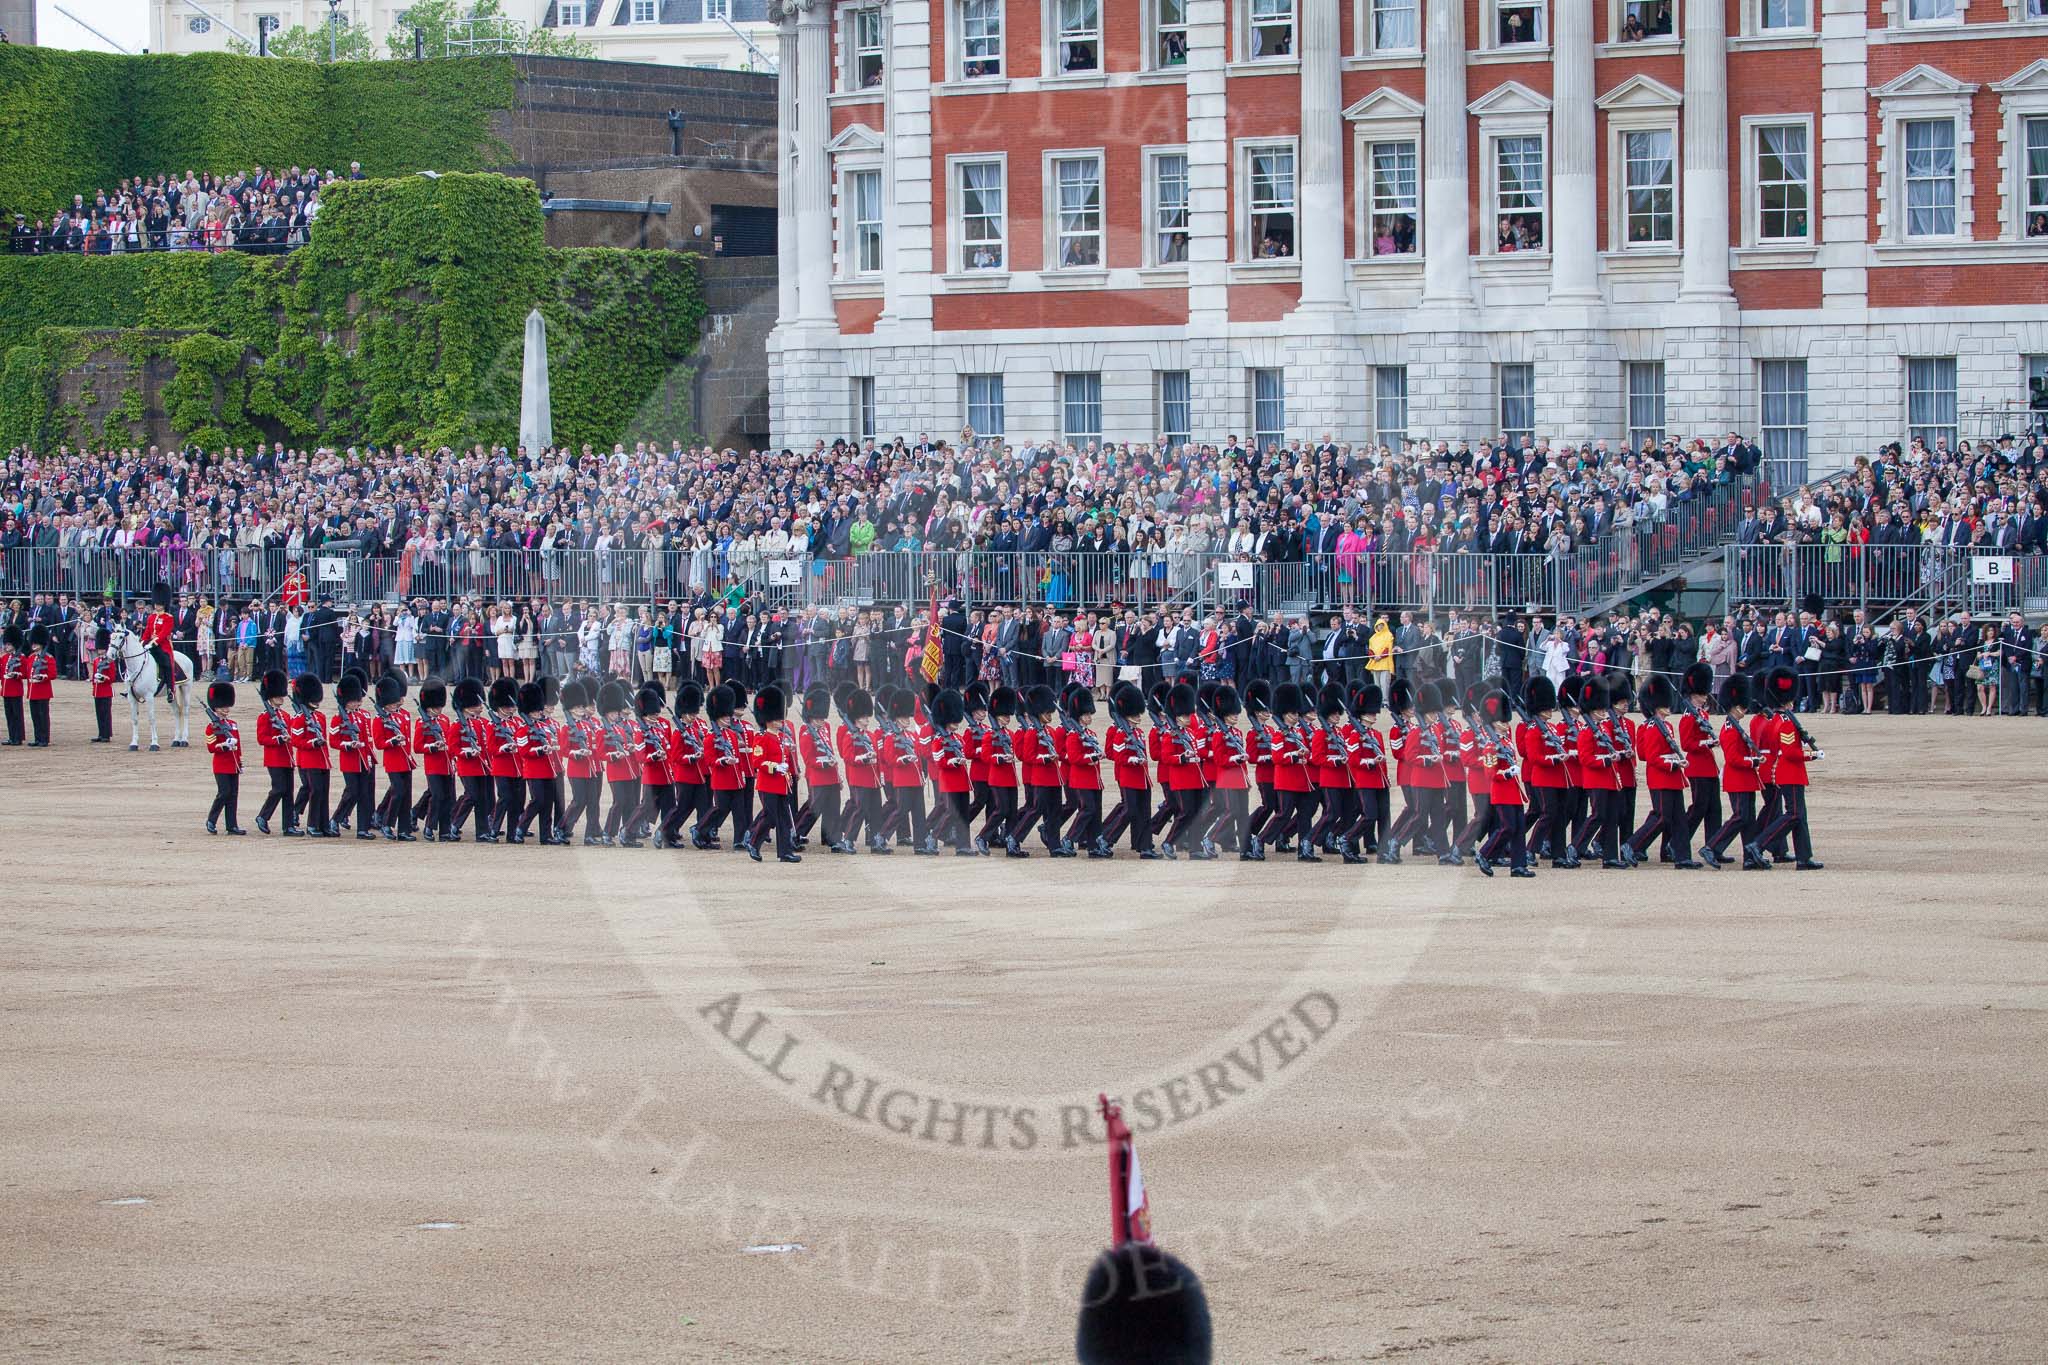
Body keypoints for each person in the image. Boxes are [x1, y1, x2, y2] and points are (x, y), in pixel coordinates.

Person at [746, 685, 801, 862]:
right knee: (770, 817)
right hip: (768, 784)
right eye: (777, 718)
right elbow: (757, 761)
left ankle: (784, 852)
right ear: (769, 719)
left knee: (784, 819)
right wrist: (775, 767)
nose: (781, 721)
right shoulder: (761, 737)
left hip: (781, 784)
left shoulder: (780, 738)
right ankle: (754, 842)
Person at [202, 680, 246, 834]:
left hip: (233, 763)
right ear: (216, 707)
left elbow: (238, 746)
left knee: (233, 795)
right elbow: (211, 747)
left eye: (227, 706)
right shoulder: (212, 727)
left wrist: (239, 761)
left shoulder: (233, 724)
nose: (226, 709)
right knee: (224, 793)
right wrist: (223, 746)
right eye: (222, 707)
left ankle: (232, 825)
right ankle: (211, 820)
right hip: (221, 765)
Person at [23, 625, 55, 745]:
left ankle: (44, 738)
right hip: (32, 691)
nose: (33, 645)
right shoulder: (31, 658)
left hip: (43, 691)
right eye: (33, 643)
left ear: (41, 644)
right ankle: (37, 738)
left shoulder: (48, 657)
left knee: (43, 716)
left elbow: (52, 674)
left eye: (36, 644)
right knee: (35, 716)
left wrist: (42, 677)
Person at [90, 628, 118, 742]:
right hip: (97, 690)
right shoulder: (96, 660)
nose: (100, 651)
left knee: (106, 714)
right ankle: (101, 733)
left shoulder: (110, 661)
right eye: (99, 649)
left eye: (102, 649)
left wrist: (104, 678)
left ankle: (106, 735)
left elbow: (112, 677)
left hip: (106, 690)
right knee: (99, 713)